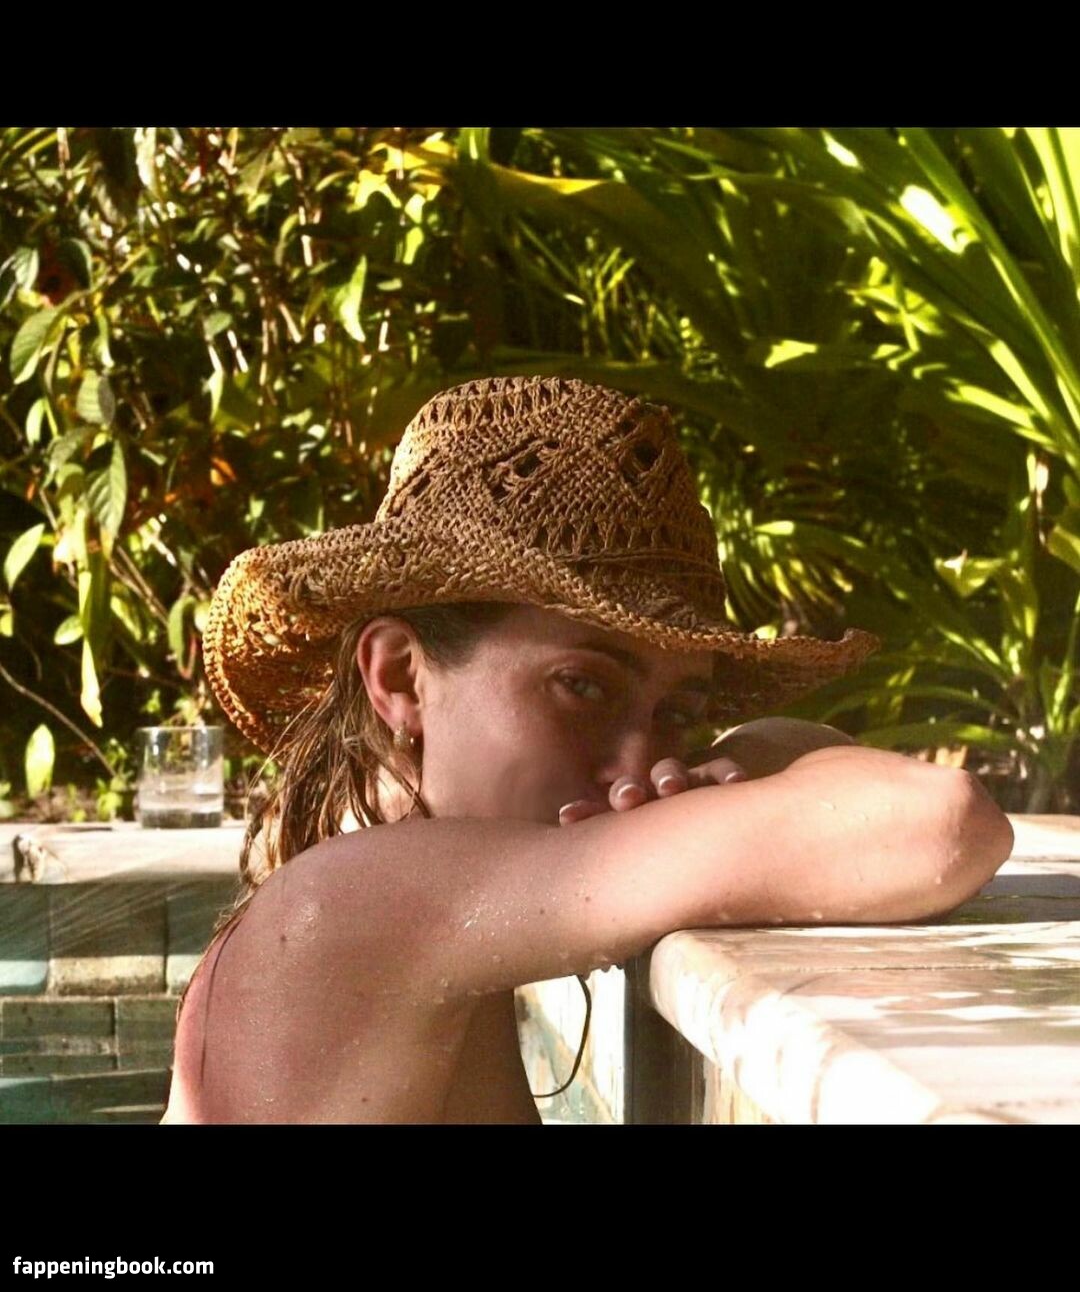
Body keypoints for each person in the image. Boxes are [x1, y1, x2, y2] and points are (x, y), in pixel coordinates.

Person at [160, 376, 1013, 1124]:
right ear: (400, 678)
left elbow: (801, 748)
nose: (637, 767)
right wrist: (719, 803)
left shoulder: (391, 891)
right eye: (583, 687)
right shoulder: (361, 904)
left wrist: (718, 776)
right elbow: (937, 824)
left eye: (679, 711)